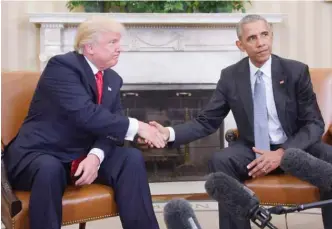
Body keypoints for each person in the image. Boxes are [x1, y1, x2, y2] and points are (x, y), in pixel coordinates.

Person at [148, 14, 332, 229]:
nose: (261, 42)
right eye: (252, 38)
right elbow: (207, 120)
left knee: (329, 157)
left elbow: (314, 123)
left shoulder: (295, 71)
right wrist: (168, 133)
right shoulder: (231, 76)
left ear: (271, 36)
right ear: (240, 44)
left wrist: (282, 153)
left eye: (264, 35)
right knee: (220, 160)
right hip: (253, 148)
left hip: (297, 148)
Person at [2, 16, 165, 229]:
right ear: (89, 47)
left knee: (130, 158)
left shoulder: (112, 79)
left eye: (119, 42)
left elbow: (111, 128)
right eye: (112, 42)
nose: (119, 48)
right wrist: (139, 127)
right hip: (40, 153)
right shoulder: (62, 67)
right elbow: (86, 114)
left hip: (79, 155)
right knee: (49, 168)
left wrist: (95, 157)